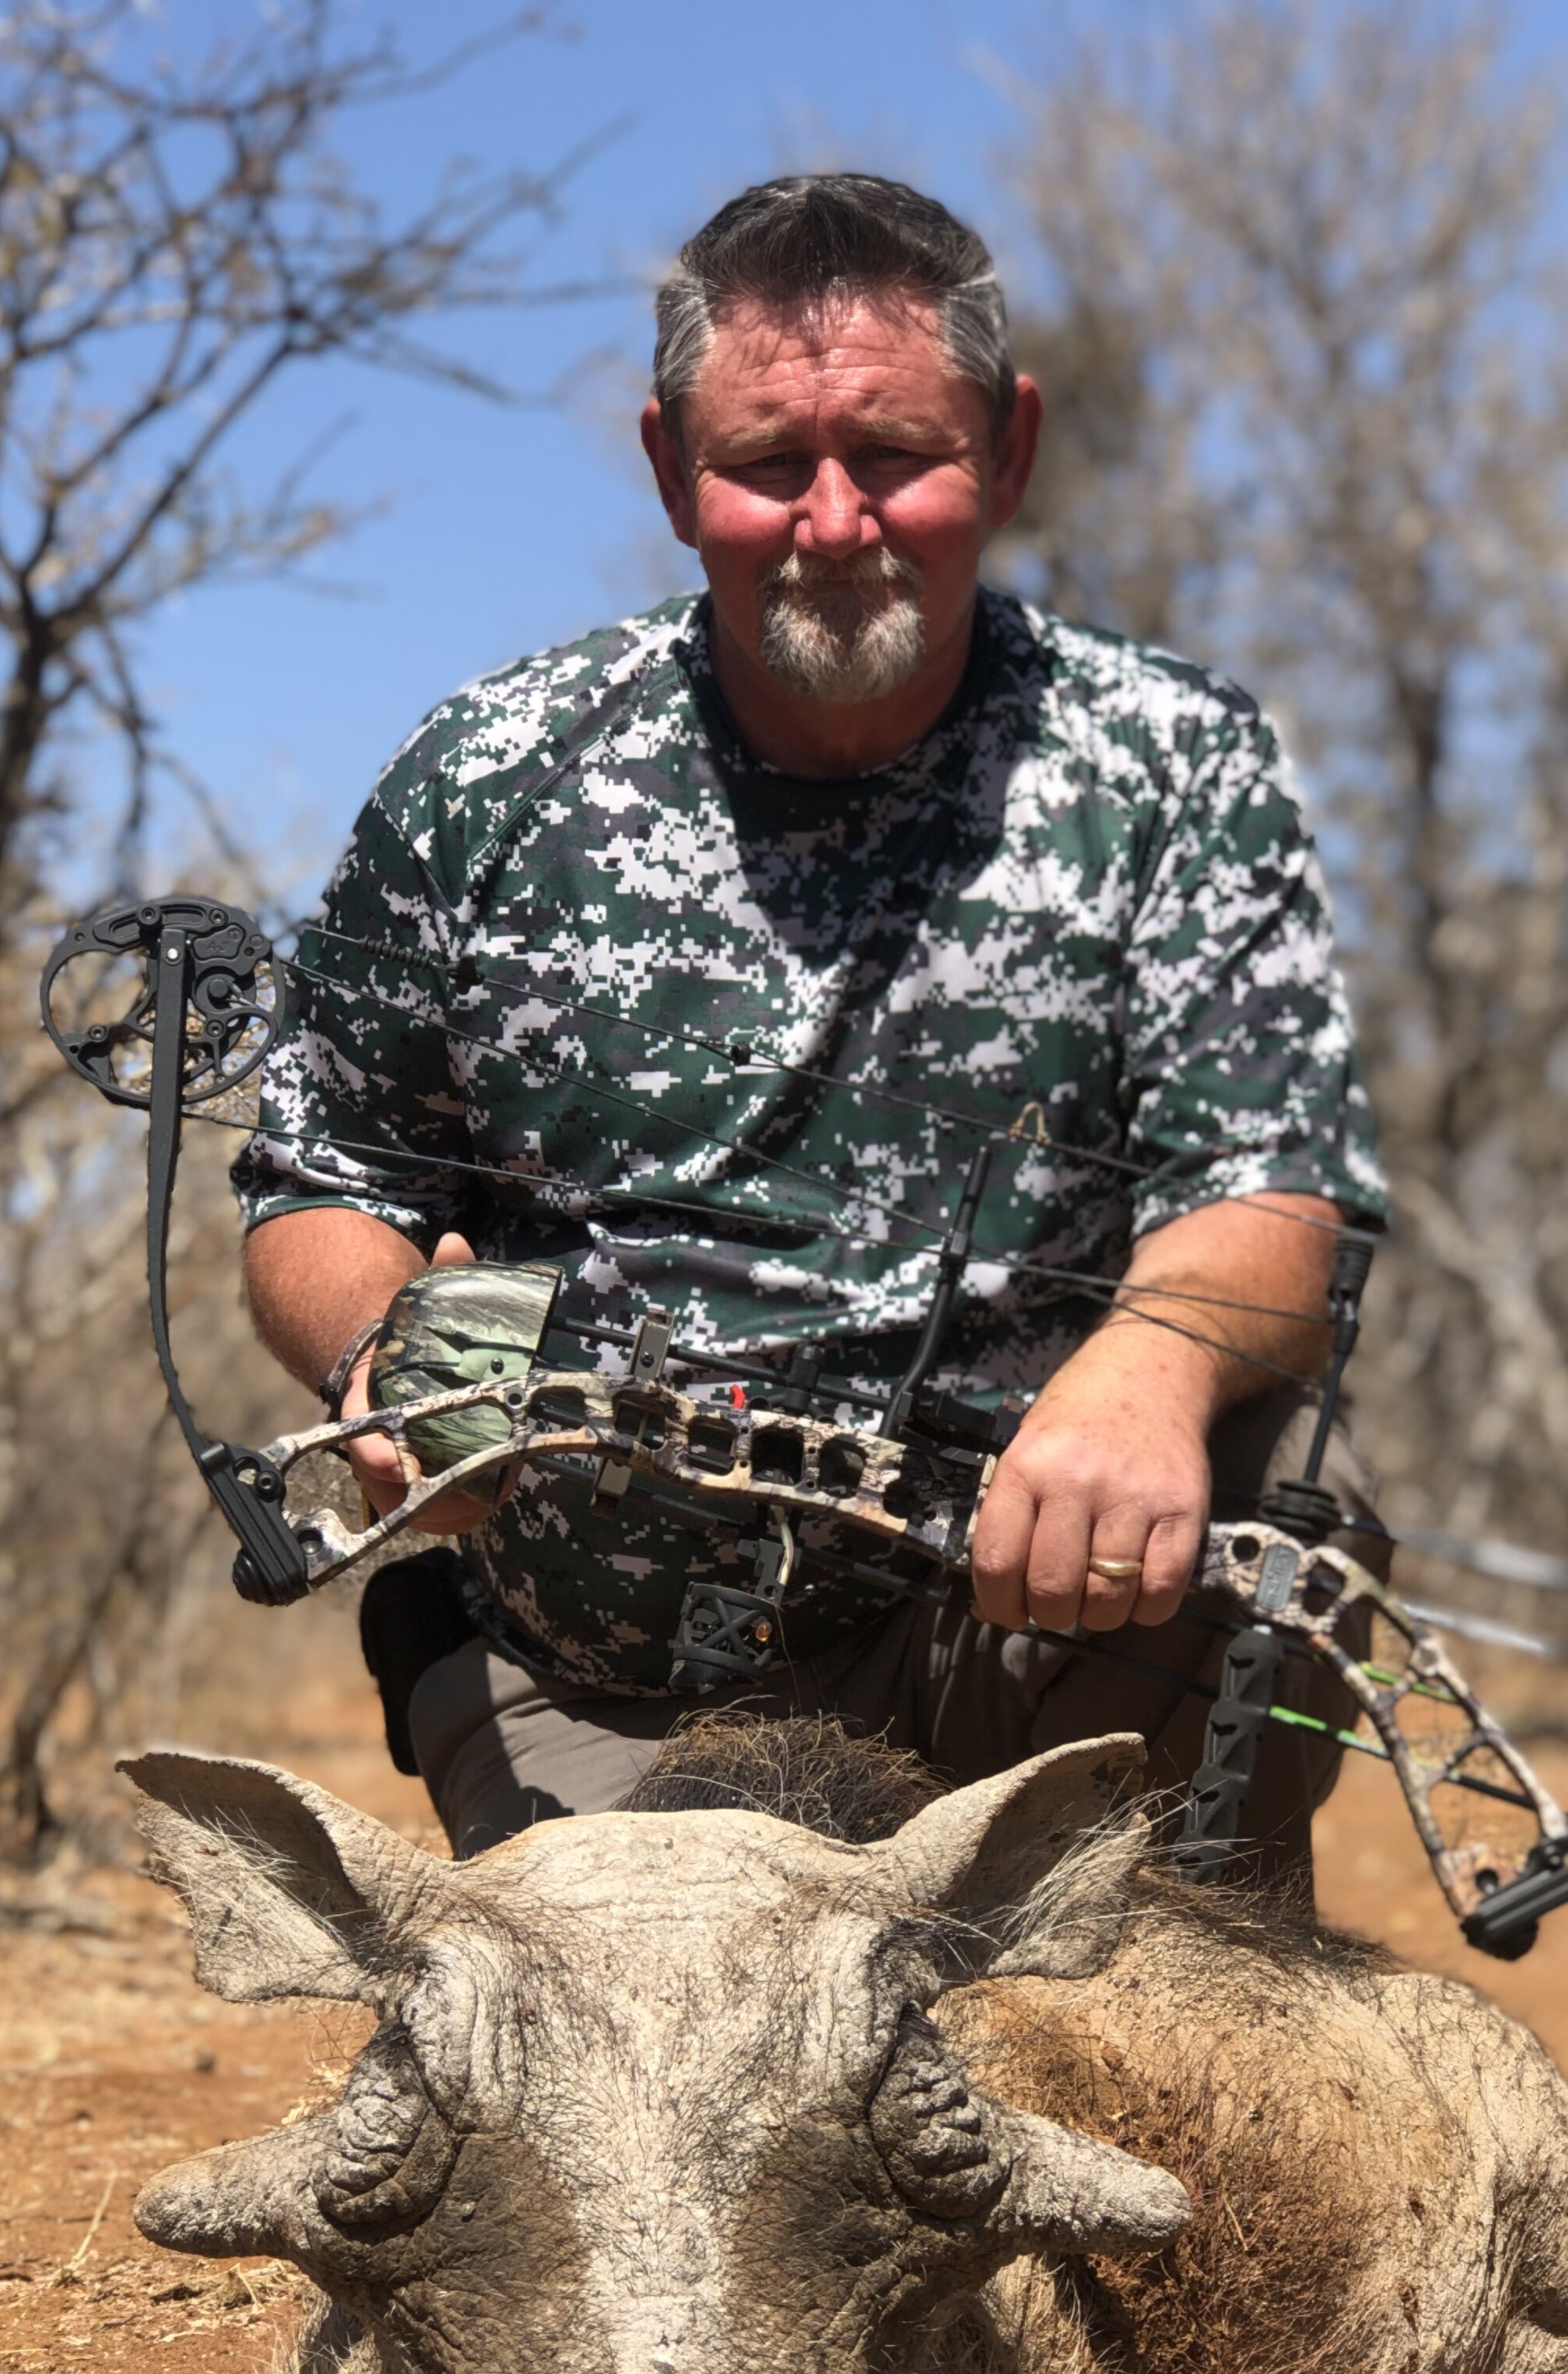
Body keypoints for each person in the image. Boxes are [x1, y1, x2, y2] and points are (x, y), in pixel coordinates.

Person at [235, 173, 1387, 1893]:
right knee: (694, 2121)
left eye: (899, 457)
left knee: (1277, 1515)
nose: (835, 522)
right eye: (769, 464)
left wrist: (1146, 1380)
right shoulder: (486, 775)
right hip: (603, 1684)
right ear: (667, 470)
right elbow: (312, 1185)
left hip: (1028, 1647)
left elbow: (1277, 1189)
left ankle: (1179, 1971)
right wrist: (380, 1355)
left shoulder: (1171, 765)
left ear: (1009, 448)